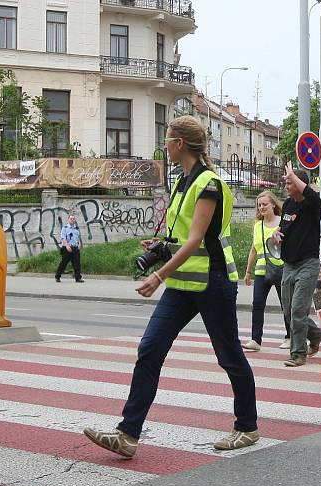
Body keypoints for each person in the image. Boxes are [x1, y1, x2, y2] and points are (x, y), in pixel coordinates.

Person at [83, 116, 259, 456]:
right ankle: (127, 434)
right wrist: (162, 247)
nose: (164, 144)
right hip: (183, 284)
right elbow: (181, 238)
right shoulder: (182, 181)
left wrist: (158, 275)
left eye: (167, 139)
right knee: (149, 350)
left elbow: (196, 241)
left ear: (180, 143)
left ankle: (247, 427)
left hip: (212, 282)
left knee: (229, 357)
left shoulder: (207, 183)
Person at [274, 164, 321, 367]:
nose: (286, 186)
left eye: (290, 182)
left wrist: (294, 176)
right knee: (289, 311)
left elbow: (310, 193)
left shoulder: (313, 205)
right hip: (288, 264)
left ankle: (298, 353)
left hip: (308, 264)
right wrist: (276, 235)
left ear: (300, 184)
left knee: (298, 310)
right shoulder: (287, 205)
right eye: (286, 182)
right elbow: (283, 228)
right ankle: (315, 334)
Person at [242, 191, 291, 351]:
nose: (261, 207)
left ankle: (290, 337)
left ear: (273, 205)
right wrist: (248, 271)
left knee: (286, 304)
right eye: (259, 205)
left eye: (264, 204)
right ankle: (256, 340)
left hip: (280, 269)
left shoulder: (282, 222)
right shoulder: (257, 226)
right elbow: (253, 250)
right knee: (257, 304)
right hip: (261, 271)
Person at [55, 215, 83, 283]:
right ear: (68, 220)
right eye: (71, 219)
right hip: (67, 248)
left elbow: (78, 238)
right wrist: (67, 246)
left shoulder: (76, 228)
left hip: (75, 248)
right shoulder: (65, 228)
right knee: (64, 263)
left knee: (77, 264)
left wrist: (79, 244)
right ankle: (58, 276)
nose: (72, 220)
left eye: (73, 219)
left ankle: (78, 278)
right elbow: (63, 238)